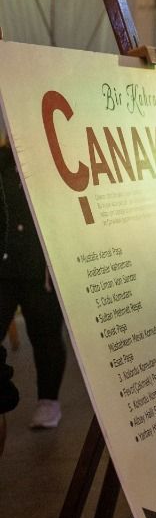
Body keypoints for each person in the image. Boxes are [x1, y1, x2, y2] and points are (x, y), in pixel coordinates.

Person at [0, 136, 67, 431]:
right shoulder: (3, 158)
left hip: (38, 265)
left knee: (45, 332)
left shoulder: (47, 153)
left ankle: (48, 400)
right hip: (3, 263)